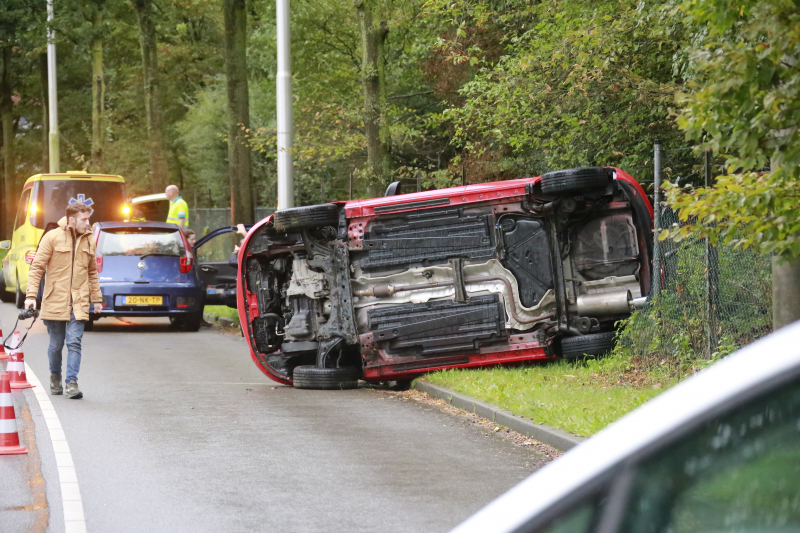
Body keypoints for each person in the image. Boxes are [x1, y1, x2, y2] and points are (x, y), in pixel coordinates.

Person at [25, 202, 103, 399]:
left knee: (74, 342)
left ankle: (72, 383)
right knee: (56, 345)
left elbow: (92, 272)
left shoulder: (89, 240)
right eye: (84, 219)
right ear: (71, 220)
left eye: (88, 218)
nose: (88, 223)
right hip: (54, 300)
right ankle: (55, 377)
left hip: (79, 301)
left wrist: (97, 299)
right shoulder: (52, 237)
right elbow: (37, 268)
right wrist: (31, 297)